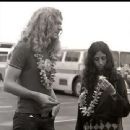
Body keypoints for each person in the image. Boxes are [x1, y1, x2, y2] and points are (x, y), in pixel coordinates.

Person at [4, 7, 63, 130]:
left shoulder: (48, 50)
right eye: (56, 23)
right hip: (27, 119)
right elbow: (8, 83)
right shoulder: (24, 47)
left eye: (60, 24)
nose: (60, 27)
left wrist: (55, 102)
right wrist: (35, 96)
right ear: (44, 23)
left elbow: (45, 84)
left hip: (47, 119)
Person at [75, 41, 130, 130]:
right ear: (91, 61)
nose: (100, 62)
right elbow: (81, 115)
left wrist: (113, 93)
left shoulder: (117, 79)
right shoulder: (87, 80)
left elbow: (125, 111)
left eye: (103, 58)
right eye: (96, 59)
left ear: (108, 59)